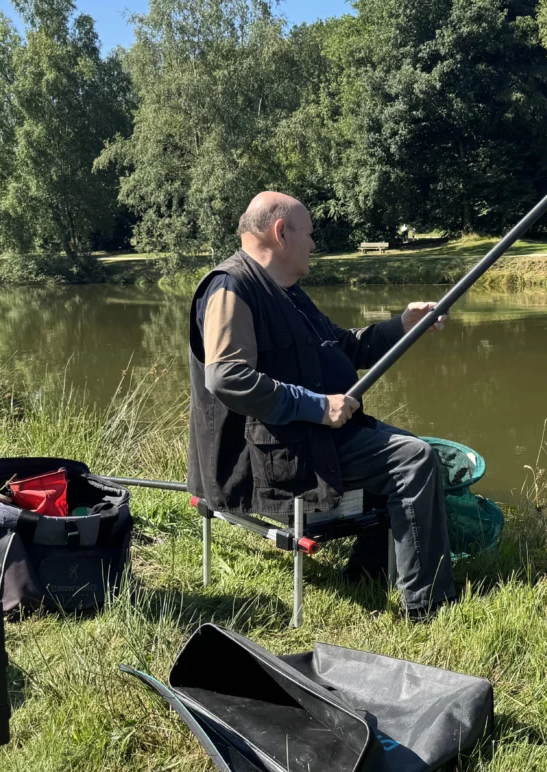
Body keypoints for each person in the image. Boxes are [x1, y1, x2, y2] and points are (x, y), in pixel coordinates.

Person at [187, 192, 455, 620]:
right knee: (413, 459)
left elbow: (345, 347)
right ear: (280, 232)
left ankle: (367, 572)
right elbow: (226, 377)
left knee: (405, 448)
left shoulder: (288, 292)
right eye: (309, 234)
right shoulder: (231, 286)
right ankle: (425, 606)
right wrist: (316, 406)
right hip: (271, 453)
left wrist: (404, 325)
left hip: (309, 436)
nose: (314, 244)